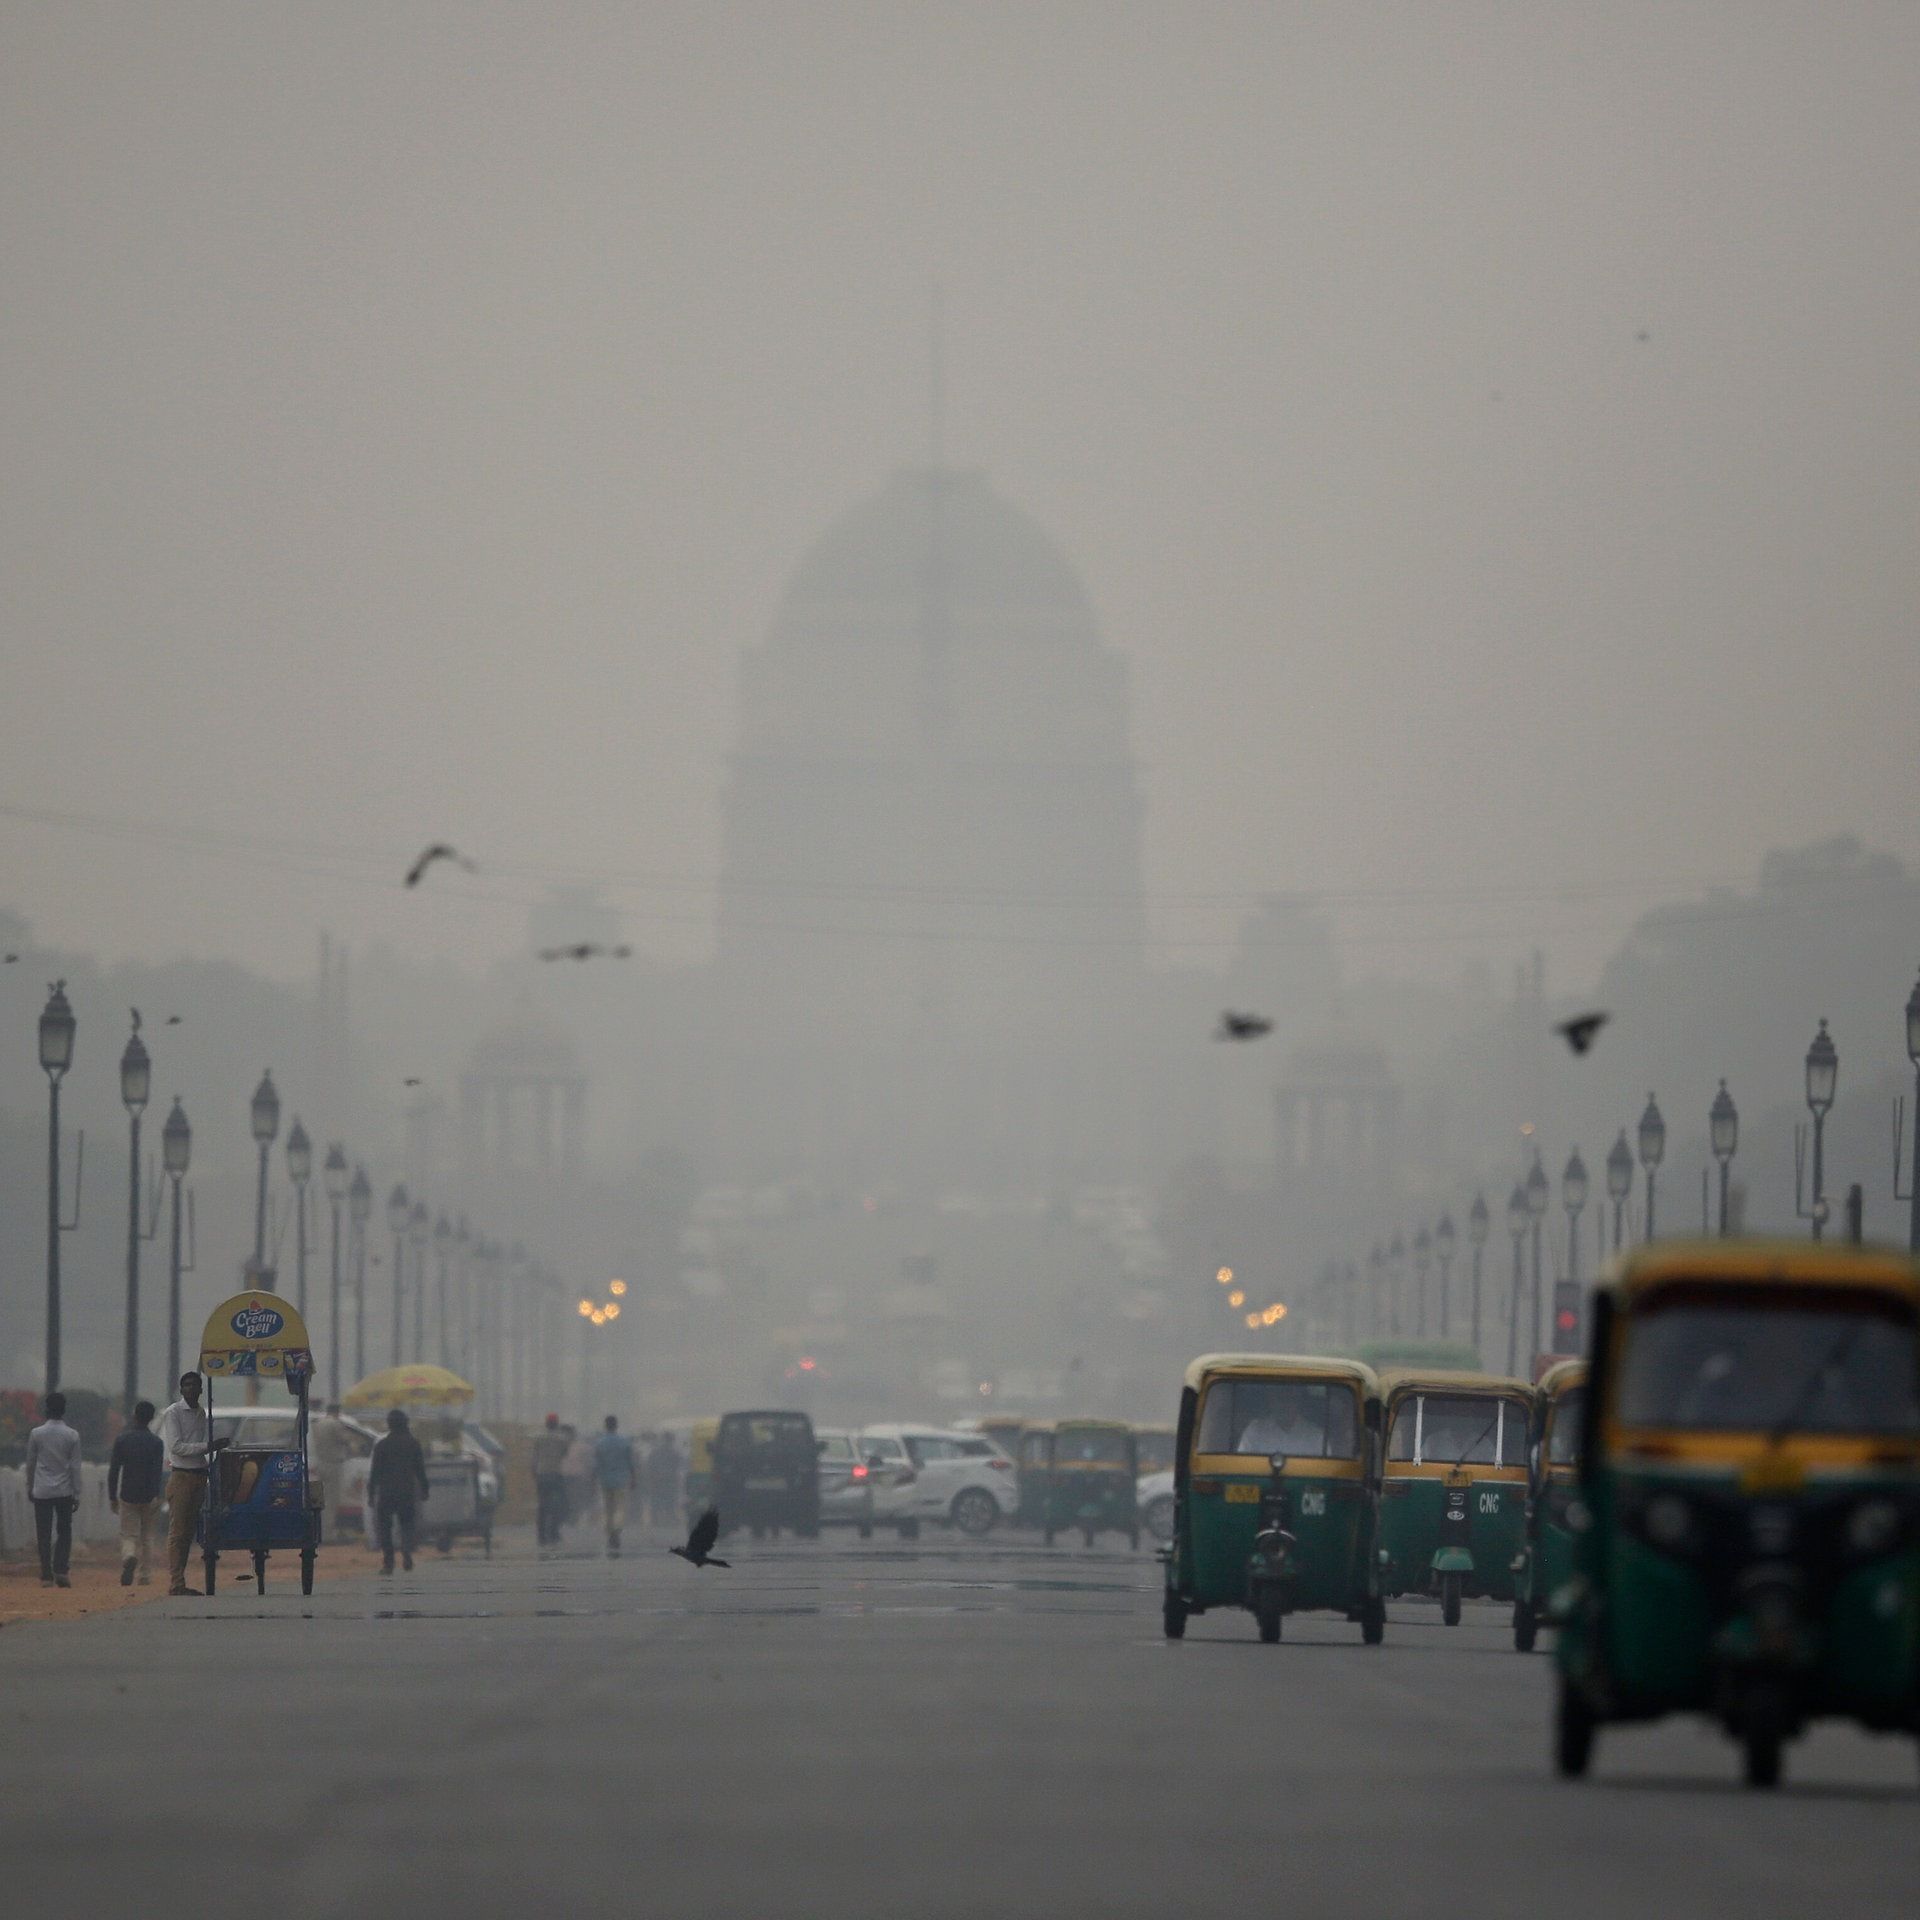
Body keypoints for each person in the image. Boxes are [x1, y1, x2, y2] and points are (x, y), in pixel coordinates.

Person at [157, 1370, 222, 1597]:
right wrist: (208, 1447)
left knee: (188, 1533)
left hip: (199, 1476)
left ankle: (180, 1581)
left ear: (201, 1389)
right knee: (178, 1531)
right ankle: (176, 1582)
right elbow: (176, 1447)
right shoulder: (173, 1412)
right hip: (182, 1477)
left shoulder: (201, 1413)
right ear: (181, 1389)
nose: (191, 1389)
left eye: (195, 1385)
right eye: (187, 1385)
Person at [24, 1391, 83, 1589]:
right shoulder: (72, 1435)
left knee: (44, 1532)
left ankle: (46, 1575)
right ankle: (61, 1569)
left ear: (47, 1409)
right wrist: (77, 1492)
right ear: (64, 1410)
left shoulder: (36, 1433)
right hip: (64, 1491)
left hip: (41, 1490)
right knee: (64, 1531)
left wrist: (29, 1486)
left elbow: (31, 1463)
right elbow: (75, 1466)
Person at [107, 1399, 165, 1586]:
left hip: (128, 1494)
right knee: (147, 1537)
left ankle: (129, 1556)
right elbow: (157, 1472)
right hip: (149, 1495)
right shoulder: (156, 1443)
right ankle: (145, 1575)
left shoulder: (122, 1440)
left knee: (128, 1534)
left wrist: (112, 1496)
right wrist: (158, 1494)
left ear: (134, 1416)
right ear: (151, 1418)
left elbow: (114, 1470)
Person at [367, 1408, 430, 1574]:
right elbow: (420, 1470)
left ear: (389, 1425)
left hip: (386, 1492)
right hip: (406, 1491)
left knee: (385, 1528)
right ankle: (407, 1550)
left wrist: (371, 1494)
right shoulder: (413, 1444)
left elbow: (374, 1472)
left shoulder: (382, 1445)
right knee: (407, 1525)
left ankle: (389, 1562)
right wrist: (425, 1489)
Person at [1236, 1386, 1324, 1460]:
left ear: (1299, 1401)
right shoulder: (1255, 1431)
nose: (1285, 1405)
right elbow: (1242, 1464)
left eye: (1290, 1399)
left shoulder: (1316, 1436)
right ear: (1271, 1401)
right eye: (1281, 1398)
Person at [593, 1415, 637, 1557]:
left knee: (608, 1508)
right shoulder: (624, 1442)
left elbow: (596, 1464)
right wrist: (633, 1478)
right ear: (616, 1425)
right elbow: (630, 1462)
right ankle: (617, 1531)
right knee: (620, 1508)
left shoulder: (600, 1443)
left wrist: (594, 1479)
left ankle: (609, 1531)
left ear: (605, 1426)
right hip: (621, 1480)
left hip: (605, 1480)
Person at [309, 1401, 354, 1539]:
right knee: (331, 1501)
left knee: (319, 1500)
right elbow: (345, 1439)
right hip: (333, 1464)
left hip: (320, 1463)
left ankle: (317, 1530)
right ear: (337, 1412)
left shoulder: (318, 1423)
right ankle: (327, 1534)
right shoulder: (335, 1424)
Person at [530, 1413, 569, 1548]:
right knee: (557, 1505)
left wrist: (534, 1471)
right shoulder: (562, 1438)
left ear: (546, 1424)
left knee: (542, 1505)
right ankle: (553, 1533)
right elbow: (564, 1454)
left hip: (542, 1474)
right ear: (556, 1424)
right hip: (556, 1474)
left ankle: (541, 1535)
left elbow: (534, 1456)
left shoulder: (539, 1438)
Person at [645, 1430, 681, 1530]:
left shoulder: (655, 1452)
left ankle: (655, 1519)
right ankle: (670, 1518)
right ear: (671, 1440)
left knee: (657, 1500)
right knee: (670, 1499)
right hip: (669, 1480)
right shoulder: (674, 1453)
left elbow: (649, 1466)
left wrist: (651, 1478)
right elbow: (677, 1467)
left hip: (658, 1479)